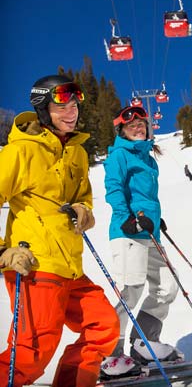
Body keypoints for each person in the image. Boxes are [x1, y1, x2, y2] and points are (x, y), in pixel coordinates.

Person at [0, 75, 119, 387]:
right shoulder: (19, 152)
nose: (72, 111)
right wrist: (3, 252)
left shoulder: (76, 152)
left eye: (75, 104)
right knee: (30, 356)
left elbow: (83, 198)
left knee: (103, 325)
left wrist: (84, 210)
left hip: (70, 267)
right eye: (61, 104)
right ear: (42, 108)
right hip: (34, 266)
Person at [101, 105, 182, 378]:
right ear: (121, 130)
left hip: (148, 232)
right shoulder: (119, 155)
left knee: (167, 285)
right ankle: (111, 355)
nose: (137, 127)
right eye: (131, 125)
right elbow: (114, 189)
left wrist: (155, 219)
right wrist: (127, 218)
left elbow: (146, 197)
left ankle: (142, 343)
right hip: (127, 232)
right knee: (130, 289)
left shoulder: (148, 158)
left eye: (141, 124)